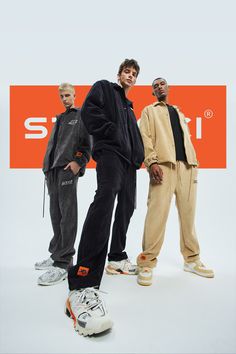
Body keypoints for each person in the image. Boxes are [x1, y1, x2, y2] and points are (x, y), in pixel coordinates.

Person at [65, 59, 144, 336]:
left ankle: (116, 257)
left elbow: (134, 136)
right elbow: (89, 111)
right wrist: (111, 132)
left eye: (134, 74)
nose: (130, 76)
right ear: (119, 74)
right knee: (106, 199)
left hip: (129, 162)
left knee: (128, 205)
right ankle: (83, 281)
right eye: (127, 72)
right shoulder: (104, 89)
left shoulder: (130, 107)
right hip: (110, 153)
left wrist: (138, 156)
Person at [136, 77, 214, 286]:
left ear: (167, 88)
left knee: (188, 214)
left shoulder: (178, 112)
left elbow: (185, 139)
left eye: (162, 84)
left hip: (187, 167)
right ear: (153, 92)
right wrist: (151, 162)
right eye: (155, 86)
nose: (159, 87)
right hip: (163, 166)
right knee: (156, 214)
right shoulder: (149, 111)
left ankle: (192, 259)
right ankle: (146, 262)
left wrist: (193, 164)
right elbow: (145, 137)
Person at [35, 83, 91, 286]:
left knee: (67, 214)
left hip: (67, 169)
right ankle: (56, 253)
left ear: (75, 95)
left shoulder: (80, 115)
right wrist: (47, 167)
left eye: (68, 95)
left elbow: (86, 144)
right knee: (55, 213)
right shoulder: (60, 119)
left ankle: (64, 262)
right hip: (52, 171)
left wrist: (78, 162)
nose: (65, 98)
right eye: (62, 96)